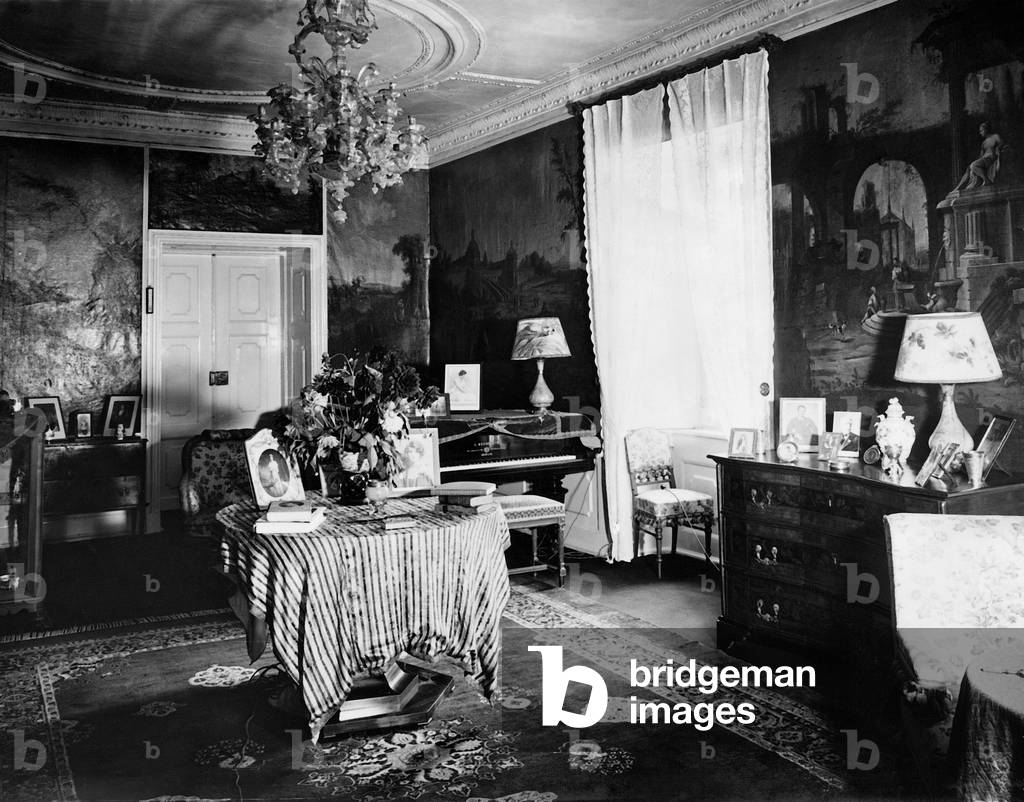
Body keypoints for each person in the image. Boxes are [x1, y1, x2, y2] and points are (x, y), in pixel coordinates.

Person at [951, 121, 1004, 194]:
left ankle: (987, 180)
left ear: (986, 129)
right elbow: (981, 155)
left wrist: (998, 149)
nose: (980, 132)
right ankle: (958, 187)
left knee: (974, 165)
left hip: (991, 159)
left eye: (981, 130)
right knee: (969, 168)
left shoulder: (995, 136)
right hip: (984, 159)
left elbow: (1001, 143)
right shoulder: (984, 143)